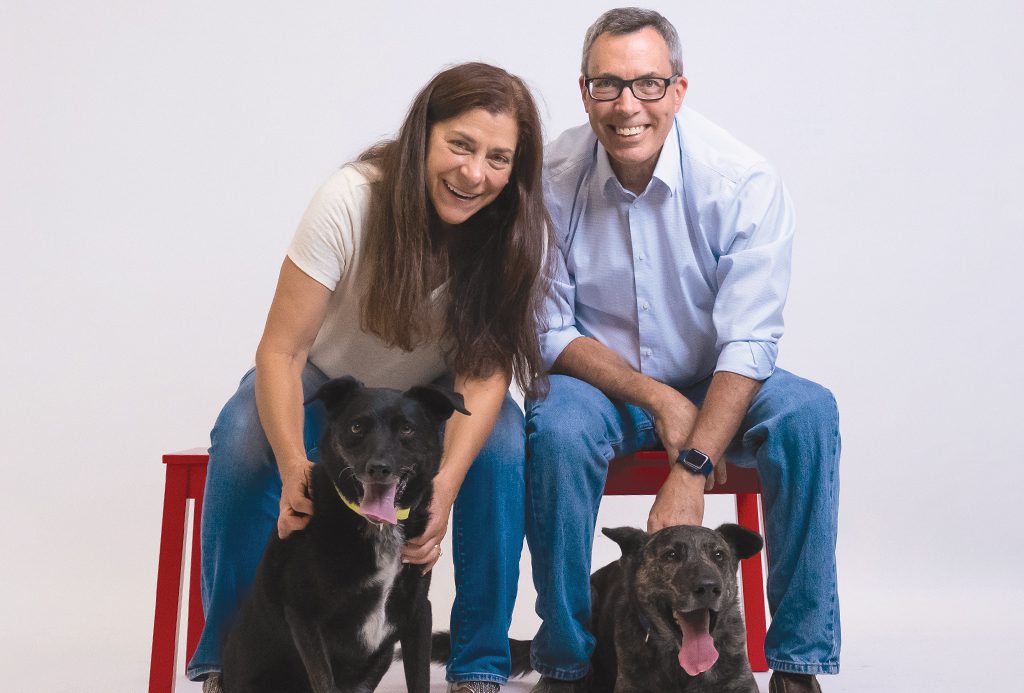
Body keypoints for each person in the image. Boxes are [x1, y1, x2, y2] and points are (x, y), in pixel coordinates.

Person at [451, 9, 841, 693]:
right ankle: (568, 660)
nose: (628, 105)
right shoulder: (549, 180)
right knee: (558, 422)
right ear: (584, 91)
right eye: (608, 85)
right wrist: (657, 397)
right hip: (605, 388)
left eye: (648, 84)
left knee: (809, 412)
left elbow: (749, 343)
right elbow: (548, 334)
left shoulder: (742, 182)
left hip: (719, 379)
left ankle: (797, 662)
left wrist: (691, 466)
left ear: (679, 90)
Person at [185, 62, 552, 692]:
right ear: (422, 138)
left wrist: (443, 487)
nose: (474, 173)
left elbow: (486, 376)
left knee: (503, 441)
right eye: (460, 145)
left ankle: (478, 662)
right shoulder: (351, 198)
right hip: (324, 377)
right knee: (244, 429)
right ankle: (227, 658)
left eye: (498, 158)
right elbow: (280, 352)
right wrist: (296, 466)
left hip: (425, 395)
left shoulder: (512, 232)